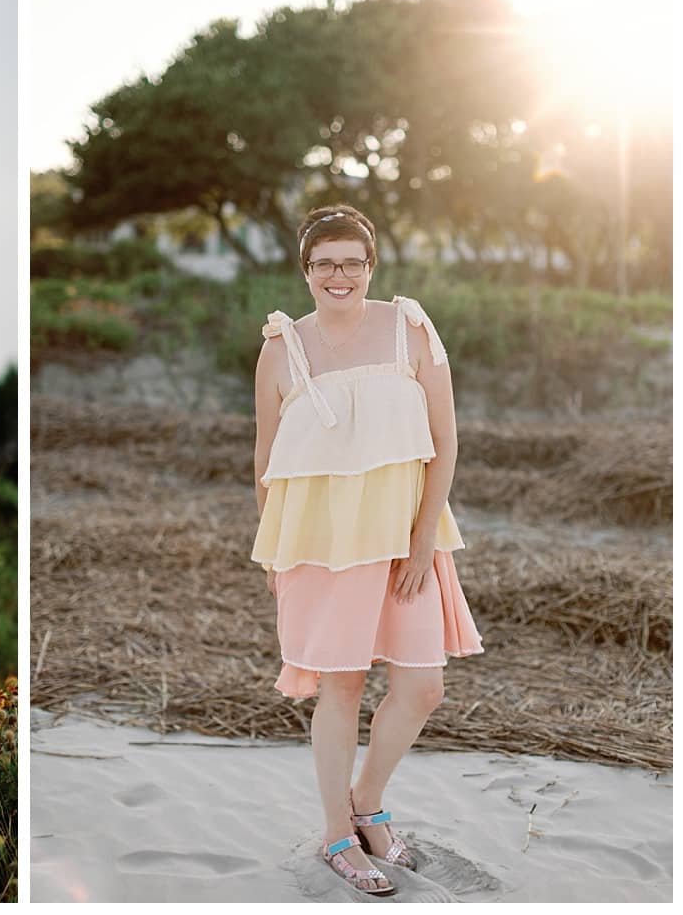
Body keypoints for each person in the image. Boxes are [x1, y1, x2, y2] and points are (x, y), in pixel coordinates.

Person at [250, 204, 484, 897]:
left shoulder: (409, 327)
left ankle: (367, 801)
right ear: (307, 271)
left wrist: (421, 541)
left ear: (371, 267)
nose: (340, 275)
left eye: (353, 262)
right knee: (342, 687)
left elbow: (445, 442)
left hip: (404, 540)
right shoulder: (281, 347)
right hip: (317, 545)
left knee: (422, 684)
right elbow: (266, 457)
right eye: (325, 264)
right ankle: (335, 835)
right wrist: (273, 551)